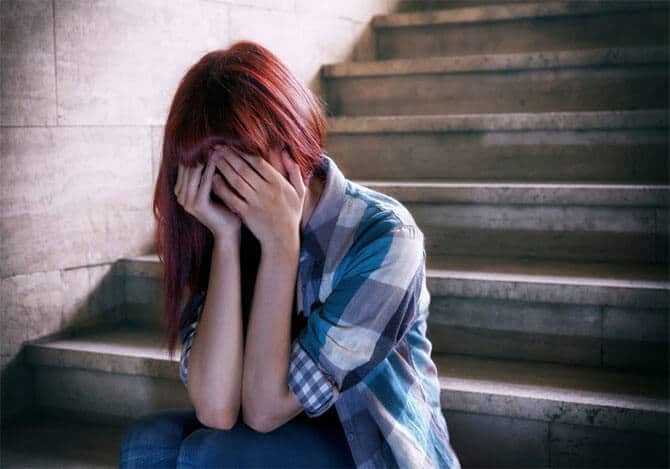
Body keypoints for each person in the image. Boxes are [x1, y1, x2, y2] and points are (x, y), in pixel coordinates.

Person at [119, 40, 462, 469]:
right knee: (146, 444)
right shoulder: (223, 227)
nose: (223, 189)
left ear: (287, 144)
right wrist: (224, 240)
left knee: (210, 455)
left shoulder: (386, 236)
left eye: (240, 170)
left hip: (370, 449)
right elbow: (216, 408)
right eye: (206, 173)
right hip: (286, 436)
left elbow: (263, 410)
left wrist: (281, 244)